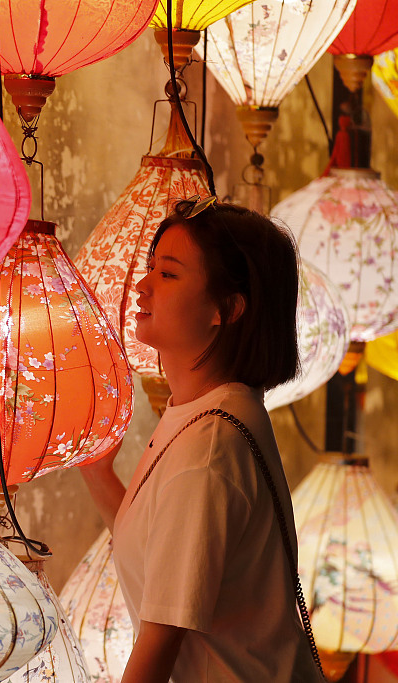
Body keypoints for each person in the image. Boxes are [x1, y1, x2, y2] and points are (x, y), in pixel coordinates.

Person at [80, 198, 322, 682]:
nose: (143, 285)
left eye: (168, 275)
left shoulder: (209, 447)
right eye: (150, 267)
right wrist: (95, 471)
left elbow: (160, 640)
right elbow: (159, 549)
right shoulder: (210, 410)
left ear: (226, 309)